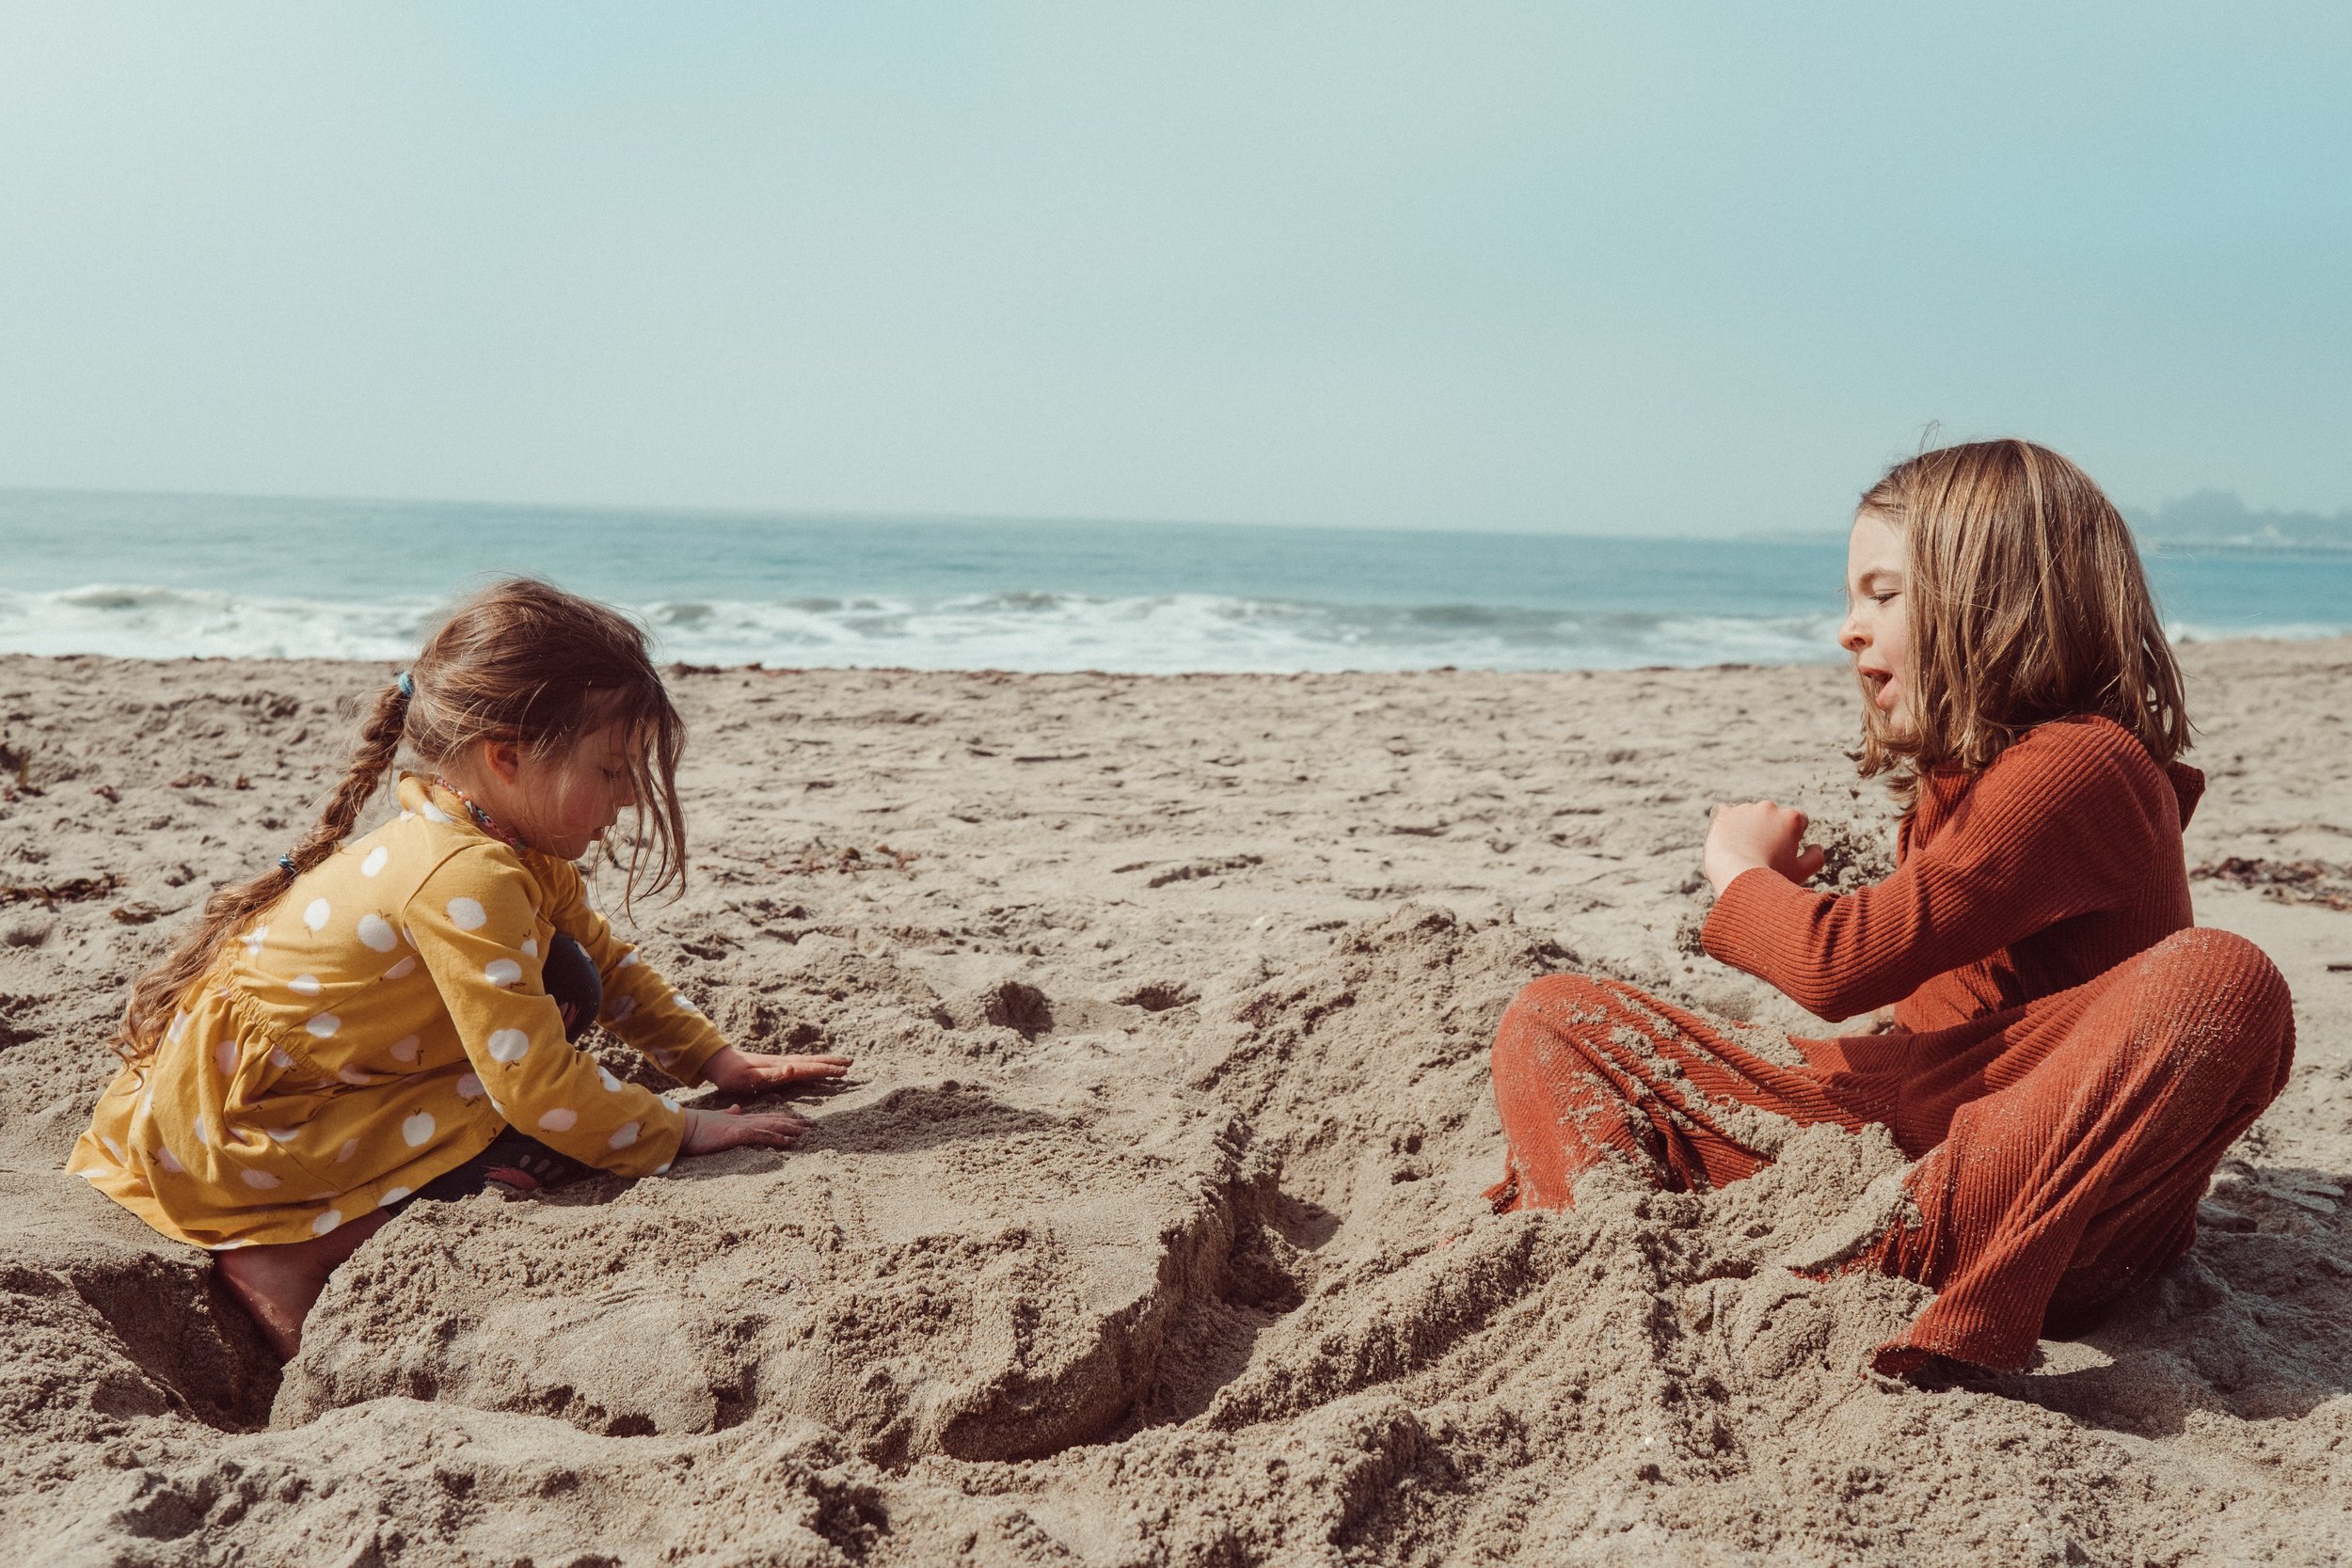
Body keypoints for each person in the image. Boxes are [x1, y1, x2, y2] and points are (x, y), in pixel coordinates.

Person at [1484, 439, 2296, 1376]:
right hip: (1901, 1142)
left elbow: (1839, 965)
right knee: (1553, 1012)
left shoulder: (2084, 765)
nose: (1847, 630)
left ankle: (1893, 1267)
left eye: (1880, 593)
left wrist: (1740, 866)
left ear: (1990, 601)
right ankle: (1595, 1242)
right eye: (1848, 599)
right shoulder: (1968, 783)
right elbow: (1920, 1004)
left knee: (2223, 976)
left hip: (2039, 1196)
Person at [69, 579, 851, 1357]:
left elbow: (608, 963)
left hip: (316, 1074)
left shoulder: (493, 835)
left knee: (572, 975)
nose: (623, 804)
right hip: (247, 1130)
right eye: (612, 773)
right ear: (506, 757)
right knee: (534, 1132)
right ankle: (288, 1249)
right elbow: (537, 1087)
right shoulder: (464, 874)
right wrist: (681, 1128)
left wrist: (716, 1060)